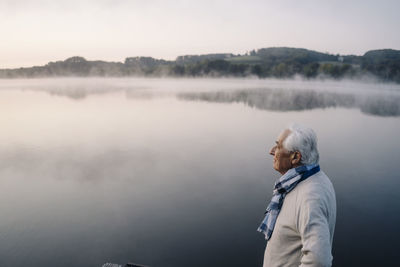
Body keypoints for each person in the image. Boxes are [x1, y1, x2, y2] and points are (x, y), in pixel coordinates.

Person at [258, 124, 336, 267]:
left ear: (295, 157)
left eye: (278, 146)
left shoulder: (310, 197)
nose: (271, 151)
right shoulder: (309, 180)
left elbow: (319, 261)